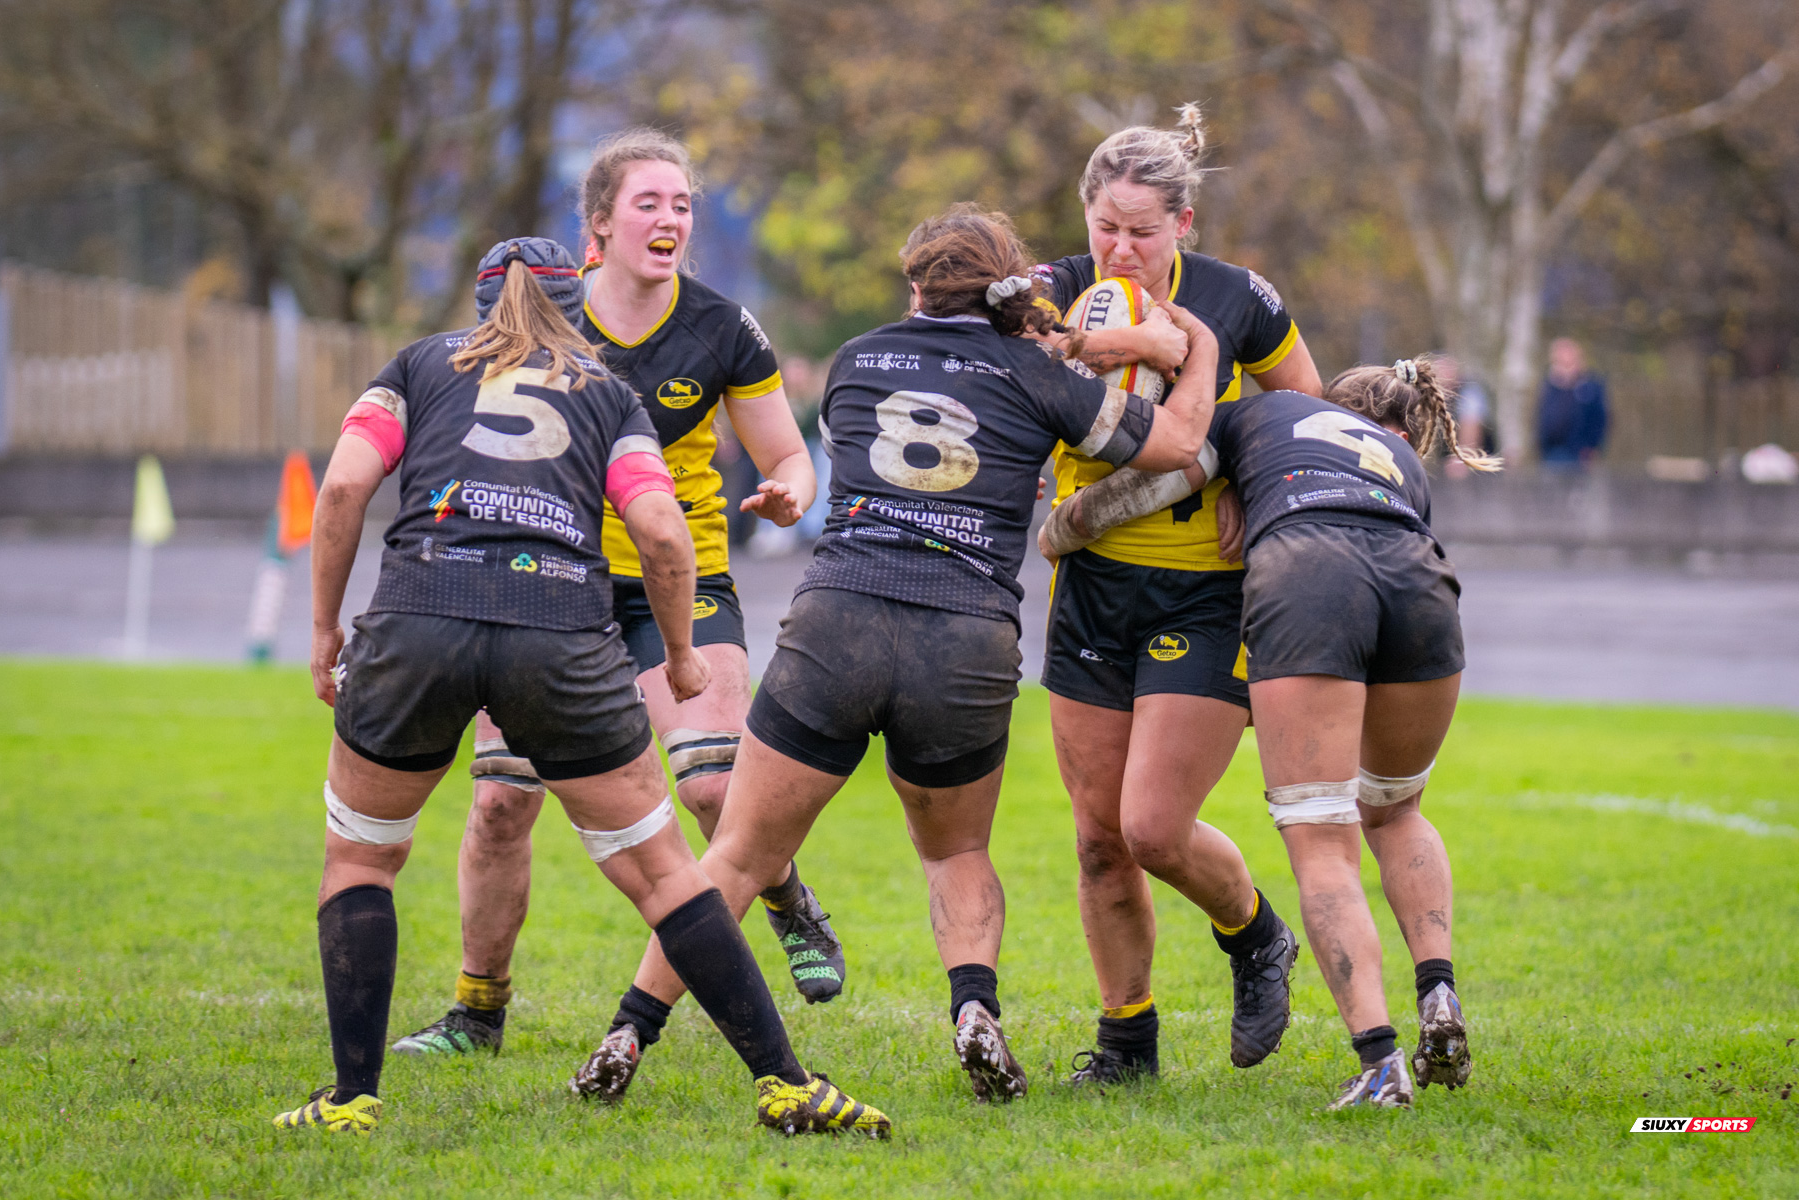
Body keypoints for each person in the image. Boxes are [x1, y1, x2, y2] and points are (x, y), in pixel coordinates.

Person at [576, 203, 1222, 1106]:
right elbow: (1180, 443)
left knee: (738, 855)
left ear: (915, 285)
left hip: (838, 619)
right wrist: (1195, 355)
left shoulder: (854, 361)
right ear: (1011, 288)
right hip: (964, 636)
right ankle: (973, 1007)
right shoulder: (1036, 373)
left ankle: (628, 1032)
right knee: (955, 852)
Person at [275, 237, 888, 1138]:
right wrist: (680, 655)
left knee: (363, 859)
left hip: (418, 620)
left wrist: (327, 628)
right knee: (663, 876)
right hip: (558, 634)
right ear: (575, 302)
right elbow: (664, 537)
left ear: (485, 302)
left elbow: (343, 492)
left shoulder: (415, 365)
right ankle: (789, 1085)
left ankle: (351, 1101)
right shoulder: (609, 392)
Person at [391, 129, 840, 1069]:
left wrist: (793, 484)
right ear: (598, 226)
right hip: (546, 585)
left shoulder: (723, 327)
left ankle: (788, 894)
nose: (671, 219)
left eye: (682, 205)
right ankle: (478, 1010)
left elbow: (785, 449)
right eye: (650, 203)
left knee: (717, 786)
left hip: (681, 582)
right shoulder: (540, 324)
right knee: (503, 805)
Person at [1040, 354, 1499, 1109]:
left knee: (1322, 837)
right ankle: (1439, 991)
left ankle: (1381, 1064)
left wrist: (1062, 528)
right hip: (1421, 582)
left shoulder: (1264, 412)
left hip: (1308, 570)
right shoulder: (1402, 464)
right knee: (1396, 808)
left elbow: (1157, 479)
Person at [1029, 103, 1322, 1084]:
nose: (1120, 248)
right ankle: (1127, 1047)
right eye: (1104, 226)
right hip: (1093, 588)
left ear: (1183, 227)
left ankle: (1254, 937)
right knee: (1099, 842)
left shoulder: (1239, 302)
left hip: (1206, 596)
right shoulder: (1051, 297)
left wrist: (1243, 471)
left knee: (1152, 827)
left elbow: (1308, 418)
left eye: (1142, 232)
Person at [1536, 337, 1608, 470]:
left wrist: (1592, 447)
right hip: (1551, 452)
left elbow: (1599, 418)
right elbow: (1543, 417)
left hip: (1579, 453)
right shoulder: (1549, 385)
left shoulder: (1590, 385)